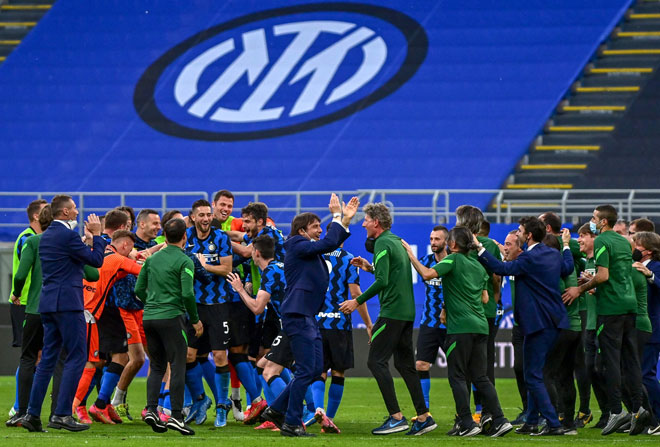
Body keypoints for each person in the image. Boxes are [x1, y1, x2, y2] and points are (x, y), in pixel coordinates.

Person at [262, 194, 358, 437]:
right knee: (306, 370)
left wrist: (345, 221)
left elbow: (330, 243)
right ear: (302, 230)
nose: (319, 231)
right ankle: (292, 423)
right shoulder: (295, 244)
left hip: (308, 317)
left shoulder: (308, 249)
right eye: (315, 227)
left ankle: (276, 409)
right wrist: (338, 217)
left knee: (313, 368)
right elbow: (328, 243)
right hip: (297, 314)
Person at [403, 226, 513, 437]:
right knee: (480, 377)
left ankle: (467, 422)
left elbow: (426, 274)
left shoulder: (452, 260)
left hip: (460, 328)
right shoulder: (479, 266)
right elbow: (485, 298)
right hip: (481, 326)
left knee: (457, 376)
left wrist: (411, 254)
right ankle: (500, 419)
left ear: (452, 244)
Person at [340, 203, 434, 436]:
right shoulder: (396, 241)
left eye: (366, 220)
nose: (363, 223)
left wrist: (356, 301)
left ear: (376, 223)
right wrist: (369, 267)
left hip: (391, 313)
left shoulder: (382, 242)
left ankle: (396, 417)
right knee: (404, 365)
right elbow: (389, 273)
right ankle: (423, 416)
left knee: (375, 362)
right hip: (406, 313)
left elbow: (382, 282)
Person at [477, 216, 573, 436]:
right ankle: (531, 421)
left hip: (539, 323)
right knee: (534, 372)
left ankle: (553, 423)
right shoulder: (552, 254)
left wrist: (479, 248)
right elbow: (567, 268)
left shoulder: (529, 258)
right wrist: (566, 246)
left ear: (528, 235)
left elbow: (500, 268)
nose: (518, 233)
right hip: (552, 320)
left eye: (520, 230)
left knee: (533, 376)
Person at [7, 206, 98, 427]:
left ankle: (28, 412)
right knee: (72, 358)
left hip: (39, 305)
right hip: (67, 304)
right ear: (64, 213)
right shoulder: (68, 239)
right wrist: (94, 238)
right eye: (74, 208)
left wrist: (16, 293)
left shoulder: (35, 239)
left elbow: (20, 274)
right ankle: (61, 413)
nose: (77, 211)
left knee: (35, 359)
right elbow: (94, 269)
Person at [562, 205, 644, 435]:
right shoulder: (625, 241)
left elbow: (603, 275)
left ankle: (617, 411)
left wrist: (582, 288)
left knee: (610, 363)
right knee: (631, 361)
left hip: (611, 308)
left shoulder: (601, 241)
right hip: (629, 305)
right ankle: (638, 410)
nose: (592, 221)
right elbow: (620, 273)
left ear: (604, 222)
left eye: (595, 218)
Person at [135, 217, 203, 435]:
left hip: (149, 317)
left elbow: (139, 288)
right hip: (172, 318)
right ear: (185, 237)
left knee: (156, 365)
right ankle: (176, 416)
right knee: (177, 365)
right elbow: (187, 293)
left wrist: (152, 304)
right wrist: (194, 319)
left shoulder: (151, 259)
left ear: (164, 236)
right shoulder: (185, 261)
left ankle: (152, 410)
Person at [309, 224, 373, 433]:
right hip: (338, 323)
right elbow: (355, 294)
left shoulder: (313, 254)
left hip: (316, 322)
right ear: (343, 237)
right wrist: (369, 324)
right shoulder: (348, 258)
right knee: (338, 372)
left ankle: (318, 408)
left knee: (319, 371)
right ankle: (330, 418)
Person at [455, 205, 501, 423]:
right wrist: (495, 298)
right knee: (483, 368)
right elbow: (496, 278)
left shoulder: (459, 245)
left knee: (464, 368)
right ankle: (486, 414)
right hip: (485, 312)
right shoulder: (489, 245)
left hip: (466, 313)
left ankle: (468, 416)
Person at [7, 199, 47, 417]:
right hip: (23, 303)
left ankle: (26, 405)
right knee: (30, 355)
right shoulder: (28, 238)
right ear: (35, 217)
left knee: (38, 355)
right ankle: (18, 405)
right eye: (45, 211)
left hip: (37, 304)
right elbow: (25, 268)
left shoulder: (38, 238)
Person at [575, 224, 610, 429]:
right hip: (589, 322)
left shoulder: (601, 259)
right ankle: (607, 413)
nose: (579, 240)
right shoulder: (585, 261)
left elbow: (609, 285)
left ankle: (624, 411)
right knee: (591, 369)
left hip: (602, 321)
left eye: (583, 236)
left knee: (602, 369)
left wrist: (592, 286)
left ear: (593, 238)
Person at [414, 225, 449, 411]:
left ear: (446, 241)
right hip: (429, 322)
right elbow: (399, 271)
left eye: (437, 239)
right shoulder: (426, 261)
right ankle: (424, 410)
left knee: (461, 369)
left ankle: (475, 410)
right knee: (420, 364)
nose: (433, 242)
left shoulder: (453, 262)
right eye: (431, 239)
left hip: (451, 324)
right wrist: (371, 268)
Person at [631, 231, 660, 434]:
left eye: (636, 245)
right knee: (641, 374)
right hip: (643, 328)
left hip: (653, 328)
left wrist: (650, 276)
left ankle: (657, 418)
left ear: (648, 250)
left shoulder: (655, 267)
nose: (633, 248)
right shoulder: (637, 267)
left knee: (645, 374)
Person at [501, 230, 526, 426]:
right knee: (519, 368)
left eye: (509, 244)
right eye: (504, 244)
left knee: (535, 370)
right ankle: (528, 409)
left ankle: (547, 411)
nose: (505, 248)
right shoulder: (510, 264)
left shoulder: (525, 263)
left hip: (531, 325)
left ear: (520, 247)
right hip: (518, 324)